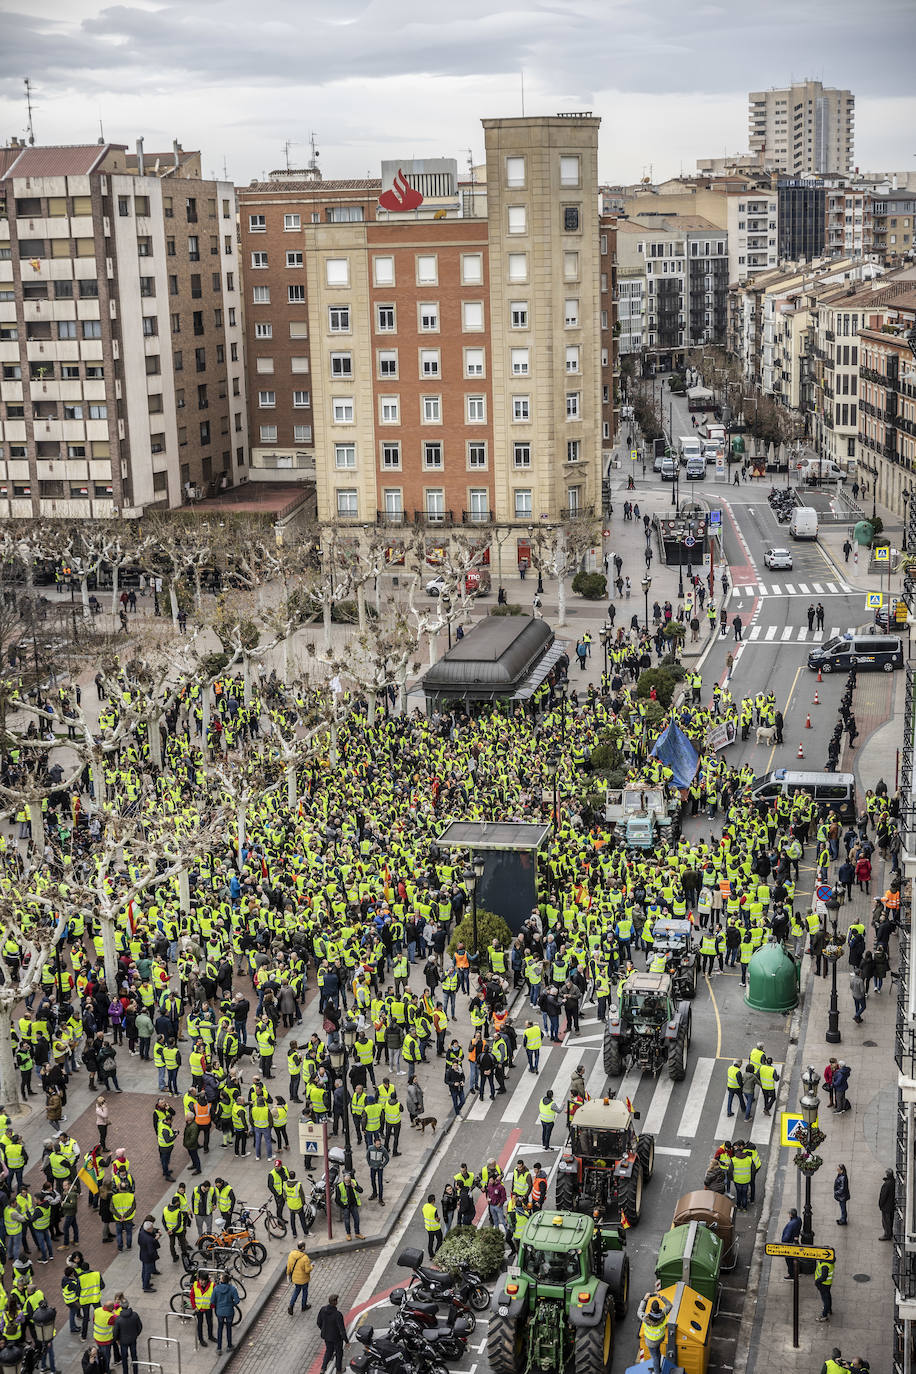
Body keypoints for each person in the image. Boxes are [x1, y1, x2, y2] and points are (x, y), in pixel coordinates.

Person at [636, 1290, 672, 1373]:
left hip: (650, 1342)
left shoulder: (646, 1318)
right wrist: (661, 1297)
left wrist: (645, 1299)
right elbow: (669, 1305)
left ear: (651, 1309)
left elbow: (639, 1311)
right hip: (660, 1338)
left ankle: (657, 1371)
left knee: (654, 1356)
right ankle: (657, 1368)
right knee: (657, 1353)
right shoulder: (663, 1313)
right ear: (658, 1308)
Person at [316, 1294, 348, 1374]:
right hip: (336, 1338)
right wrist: (346, 1341)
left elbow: (318, 1322)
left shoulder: (322, 1309)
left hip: (326, 1336)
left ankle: (323, 1368)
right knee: (339, 1353)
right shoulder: (338, 1314)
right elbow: (342, 1330)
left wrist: (324, 1330)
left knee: (329, 1351)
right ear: (335, 1302)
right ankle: (338, 1370)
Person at [213, 1272, 240, 1353]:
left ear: (221, 1280)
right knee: (229, 1328)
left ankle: (219, 1348)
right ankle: (229, 1345)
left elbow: (212, 1301)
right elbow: (237, 1300)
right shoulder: (232, 1289)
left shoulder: (216, 1289)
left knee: (220, 1328)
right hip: (229, 1312)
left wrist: (218, 1305)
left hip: (220, 1312)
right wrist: (232, 1304)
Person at [113, 1302, 143, 1374]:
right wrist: (136, 1335)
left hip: (123, 1341)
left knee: (124, 1358)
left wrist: (116, 1339)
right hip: (133, 1339)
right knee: (134, 1356)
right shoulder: (135, 1315)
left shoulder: (118, 1319)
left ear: (121, 1307)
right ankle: (135, 1372)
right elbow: (140, 1326)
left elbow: (115, 1332)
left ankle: (125, 1372)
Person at [285, 1242, 313, 1313]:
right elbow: (307, 1270)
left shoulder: (291, 1254)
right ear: (303, 1247)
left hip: (295, 1279)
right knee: (305, 1292)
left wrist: (288, 1274)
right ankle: (304, 1306)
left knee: (296, 1291)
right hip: (304, 1279)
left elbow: (288, 1266)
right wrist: (312, 1266)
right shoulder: (305, 1258)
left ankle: (291, 1305)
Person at [189, 1274, 215, 1345]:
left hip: (208, 1308)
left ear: (207, 1280)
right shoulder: (195, 1285)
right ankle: (201, 1339)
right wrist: (194, 1307)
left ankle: (210, 1336)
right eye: (200, 1280)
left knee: (210, 1323)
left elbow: (215, 1295)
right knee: (200, 1324)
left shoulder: (212, 1285)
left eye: (203, 1280)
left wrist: (212, 1305)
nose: (201, 1282)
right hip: (199, 1309)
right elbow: (192, 1296)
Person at [780, 1208, 802, 1276]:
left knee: (789, 1260)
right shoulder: (799, 1219)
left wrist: (783, 1242)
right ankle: (797, 1271)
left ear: (791, 1215)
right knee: (795, 1258)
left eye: (789, 1214)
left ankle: (791, 1274)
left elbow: (786, 1236)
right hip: (795, 1241)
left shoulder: (791, 1224)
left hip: (790, 1243)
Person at [814, 1254, 834, 1321]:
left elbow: (823, 1277)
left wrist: (817, 1282)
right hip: (827, 1284)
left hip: (823, 1284)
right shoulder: (829, 1261)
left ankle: (824, 1315)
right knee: (828, 1296)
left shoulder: (825, 1265)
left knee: (825, 1299)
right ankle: (828, 1309)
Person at [422, 1194, 442, 1258]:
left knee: (431, 1241)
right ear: (433, 1201)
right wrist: (439, 1218)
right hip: (436, 1228)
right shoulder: (434, 1209)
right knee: (439, 1240)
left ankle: (431, 1255)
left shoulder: (424, 1206)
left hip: (428, 1228)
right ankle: (437, 1252)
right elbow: (436, 1219)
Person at [879, 1169, 895, 1240]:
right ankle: (889, 1233)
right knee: (890, 1221)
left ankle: (887, 1235)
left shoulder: (887, 1184)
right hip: (891, 1206)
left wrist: (880, 1204)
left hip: (886, 1207)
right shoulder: (893, 1182)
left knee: (886, 1221)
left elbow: (883, 1196)